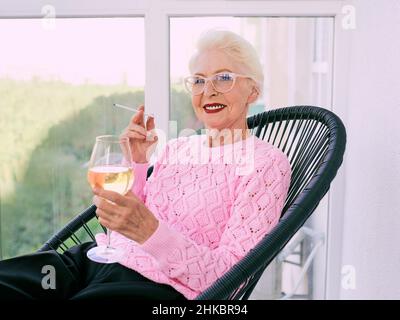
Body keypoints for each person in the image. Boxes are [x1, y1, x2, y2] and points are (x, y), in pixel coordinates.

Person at [0, 30, 291, 300]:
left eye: (224, 78)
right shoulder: (178, 148)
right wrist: (137, 162)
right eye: (199, 80)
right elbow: (124, 225)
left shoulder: (265, 164)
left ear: (253, 92)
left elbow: (231, 278)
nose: (208, 91)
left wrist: (151, 232)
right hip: (99, 259)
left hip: (155, 287)